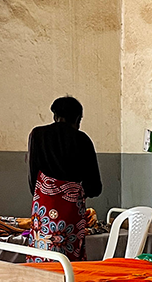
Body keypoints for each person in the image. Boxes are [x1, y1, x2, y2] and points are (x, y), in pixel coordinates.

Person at [26, 96, 102, 262]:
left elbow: (33, 182)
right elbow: (94, 186)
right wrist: (74, 191)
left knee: (43, 256)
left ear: (55, 116)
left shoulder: (37, 135)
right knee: (68, 261)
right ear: (77, 119)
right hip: (70, 215)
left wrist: (49, 194)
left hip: (44, 211)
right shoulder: (83, 140)